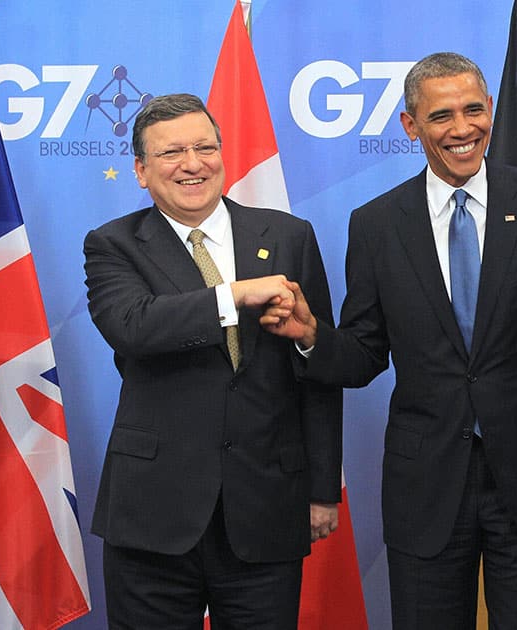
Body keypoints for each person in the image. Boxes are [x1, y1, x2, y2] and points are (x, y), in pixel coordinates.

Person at [265, 52, 517, 629]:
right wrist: (312, 338)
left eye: (473, 110)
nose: (462, 129)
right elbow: (363, 353)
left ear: (492, 113)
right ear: (411, 126)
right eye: (441, 116)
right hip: (426, 484)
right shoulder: (376, 223)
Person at [83, 93, 342, 629]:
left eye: (205, 147)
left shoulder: (290, 236)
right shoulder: (113, 245)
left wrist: (321, 490)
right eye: (172, 152)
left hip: (266, 507)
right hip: (154, 516)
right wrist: (235, 295)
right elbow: (134, 326)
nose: (193, 163)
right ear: (140, 170)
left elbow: (314, 374)